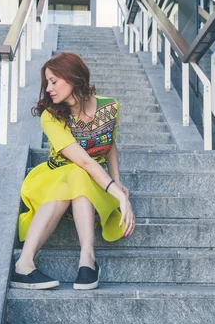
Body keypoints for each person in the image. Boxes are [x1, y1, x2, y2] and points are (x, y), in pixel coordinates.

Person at [12, 52, 136, 291]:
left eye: (54, 81)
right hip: (52, 179)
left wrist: (117, 181)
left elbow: (110, 145)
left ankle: (80, 260)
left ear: (72, 77)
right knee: (76, 172)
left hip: (92, 186)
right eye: (47, 82)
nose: (48, 88)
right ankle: (39, 262)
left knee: (79, 177)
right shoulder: (50, 116)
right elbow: (85, 162)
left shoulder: (110, 107)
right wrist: (121, 197)